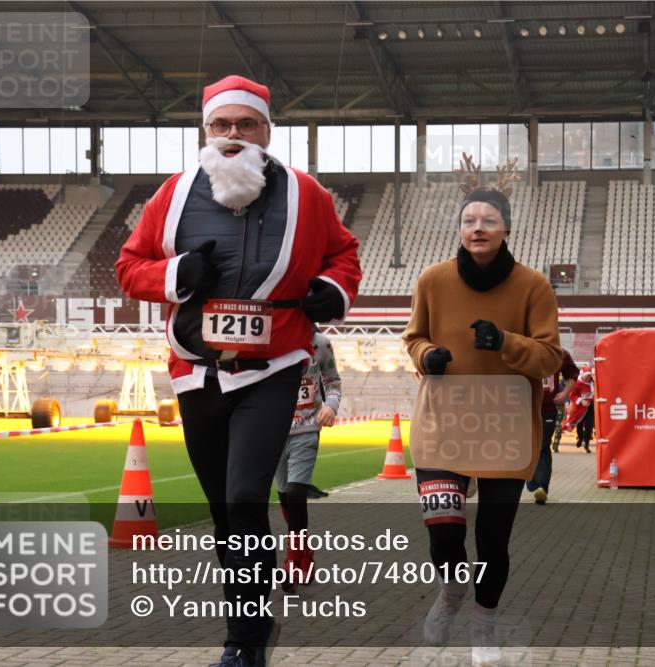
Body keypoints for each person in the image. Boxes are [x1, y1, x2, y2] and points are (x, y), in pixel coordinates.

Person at [116, 75, 361, 667]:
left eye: (244, 124)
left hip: (272, 366)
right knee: (225, 511)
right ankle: (254, 611)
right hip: (195, 371)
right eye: (220, 125)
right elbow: (128, 267)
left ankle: (243, 642)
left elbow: (344, 253)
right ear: (206, 131)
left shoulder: (307, 194)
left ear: (266, 132)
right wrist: (176, 274)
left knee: (246, 495)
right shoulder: (171, 196)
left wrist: (333, 289)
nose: (231, 136)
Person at [403, 156, 563, 666]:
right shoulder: (432, 279)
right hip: (443, 424)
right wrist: (428, 355)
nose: (478, 228)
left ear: (506, 229)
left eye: (488, 220)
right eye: (470, 220)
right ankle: (451, 594)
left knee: (493, 540)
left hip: (505, 427)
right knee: (445, 533)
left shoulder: (534, 286)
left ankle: (485, 626)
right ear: (459, 228)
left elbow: (550, 356)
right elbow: (413, 338)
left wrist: (507, 344)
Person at [277, 330, 341, 590]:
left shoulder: (321, 344)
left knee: (295, 493)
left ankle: (292, 563)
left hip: (306, 430)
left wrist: (330, 406)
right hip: (273, 432)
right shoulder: (272, 339)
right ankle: (305, 551)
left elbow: (333, 381)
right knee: (284, 496)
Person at [527, 349, 578, 504]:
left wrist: (565, 393)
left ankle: (541, 488)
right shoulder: (525, 348)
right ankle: (531, 481)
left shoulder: (561, 354)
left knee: (543, 446)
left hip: (547, 409)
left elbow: (572, 375)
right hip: (522, 408)